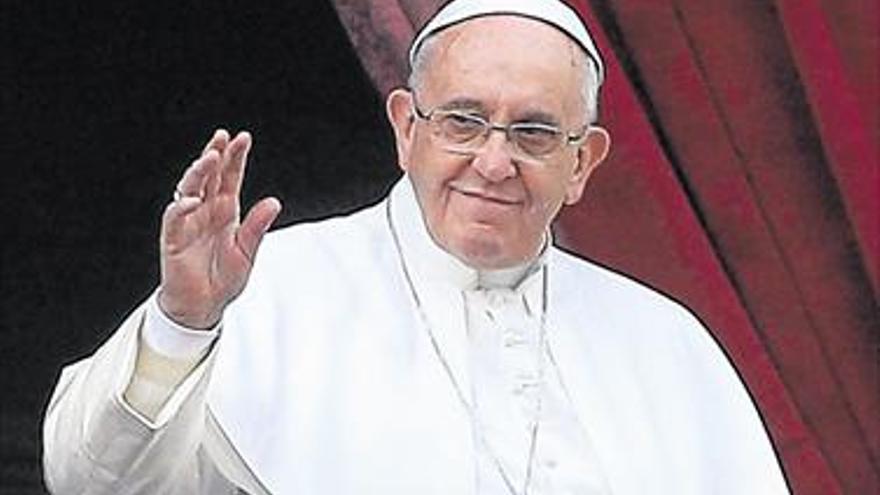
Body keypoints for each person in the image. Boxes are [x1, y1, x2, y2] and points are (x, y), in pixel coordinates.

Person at [42, 0, 790, 493]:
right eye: (463, 121)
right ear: (406, 128)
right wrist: (181, 322)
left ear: (582, 162)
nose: (493, 163)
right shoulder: (274, 288)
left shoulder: (664, 343)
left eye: (532, 132)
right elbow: (88, 481)